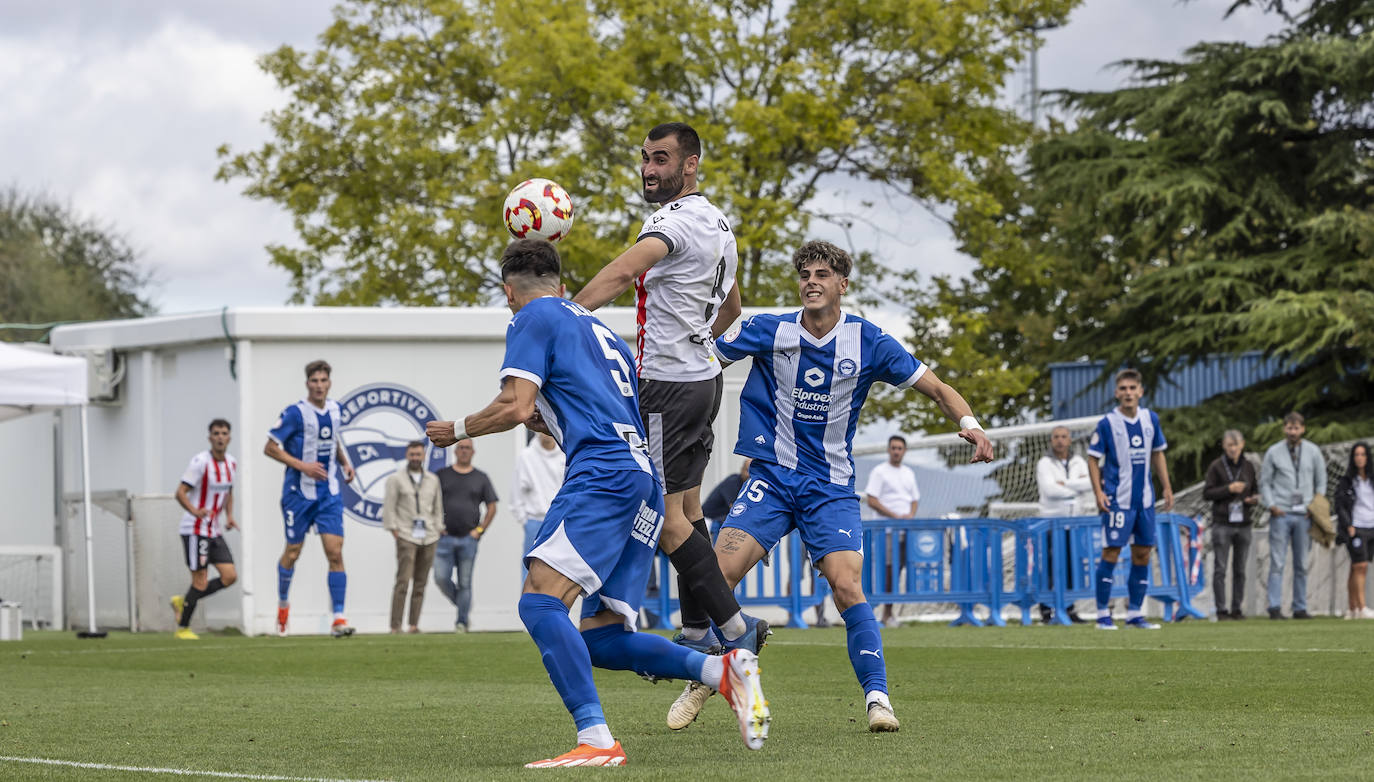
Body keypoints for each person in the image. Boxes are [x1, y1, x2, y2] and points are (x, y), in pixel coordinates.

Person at [426, 238, 768, 767]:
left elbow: (514, 405)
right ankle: (722, 670)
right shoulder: (599, 329)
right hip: (641, 480)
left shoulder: (531, 316)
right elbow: (581, 406)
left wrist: (458, 428)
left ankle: (597, 740)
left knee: (539, 603)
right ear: (563, 286)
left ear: (509, 293)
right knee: (602, 638)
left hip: (602, 476)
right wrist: (550, 416)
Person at [700, 239, 993, 734]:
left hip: (830, 487)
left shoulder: (869, 341)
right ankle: (707, 672)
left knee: (846, 587)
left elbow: (938, 389)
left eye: (822, 274)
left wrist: (971, 424)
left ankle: (878, 699)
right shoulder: (769, 329)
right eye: (805, 275)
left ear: (843, 284)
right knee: (715, 575)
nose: (811, 282)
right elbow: (699, 365)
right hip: (772, 477)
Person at [571, 122, 767, 670]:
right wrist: (699, 341)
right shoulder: (720, 225)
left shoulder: (671, 221)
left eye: (661, 159)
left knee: (662, 514)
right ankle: (697, 628)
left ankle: (737, 627)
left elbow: (622, 273)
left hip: (666, 385)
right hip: (702, 380)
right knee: (688, 507)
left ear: (691, 164)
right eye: (645, 158)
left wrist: (564, 316)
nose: (648, 169)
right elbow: (732, 309)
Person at [265, 360, 357, 638]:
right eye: (314, 381)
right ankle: (283, 606)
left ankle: (339, 618)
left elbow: (331, 440)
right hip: (298, 493)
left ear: (330, 383)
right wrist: (303, 466)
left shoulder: (336, 410)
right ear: (307, 384)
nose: (319, 385)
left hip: (328, 493)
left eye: (323, 380)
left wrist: (344, 462)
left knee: (335, 552)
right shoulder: (295, 413)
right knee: (293, 551)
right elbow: (270, 447)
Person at [1086, 368, 1174, 631]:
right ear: (1116, 393)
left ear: (1140, 391)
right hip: (1117, 500)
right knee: (1111, 551)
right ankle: (1103, 614)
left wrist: (1167, 487)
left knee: (1143, 552)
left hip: (1144, 500)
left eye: (1132, 388)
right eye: (1123, 389)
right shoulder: (1107, 423)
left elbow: (1158, 453)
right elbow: (1093, 458)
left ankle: (1135, 614)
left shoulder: (1150, 419)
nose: (1128, 393)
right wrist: (1098, 492)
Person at [169, 419, 239, 640]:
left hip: (214, 530)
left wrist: (229, 516)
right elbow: (180, 492)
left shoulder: (231, 463)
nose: (220, 437)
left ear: (229, 438)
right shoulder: (200, 462)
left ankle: (185, 600)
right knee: (199, 580)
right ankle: (183, 628)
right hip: (195, 529)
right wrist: (194, 510)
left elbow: (228, 492)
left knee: (230, 576)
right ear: (210, 438)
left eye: (224, 433)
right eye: (216, 433)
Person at [1259, 411, 1326, 620]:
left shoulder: (1313, 451)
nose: (1293, 432)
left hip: (1304, 515)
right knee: (1277, 562)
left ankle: (1300, 607)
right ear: (1284, 429)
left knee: (1302, 563)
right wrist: (1271, 505)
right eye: (1289, 428)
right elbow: (1265, 482)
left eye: (1296, 428)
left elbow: (1321, 482)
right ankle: (1274, 606)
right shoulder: (1273, 452)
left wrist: (1314, 506)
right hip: (1281, 513)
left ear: (1303, 429)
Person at [433, 439, 498, 632]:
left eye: (467, 448)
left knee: (465, 582)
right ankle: (464, 605)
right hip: (444, 538)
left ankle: (461, 622)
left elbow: (492, 507)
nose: (464, 451)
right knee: (440, 578)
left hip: (469, 539)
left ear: (473, 452)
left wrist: (480, 530)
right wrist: (436, 525)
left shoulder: (481, 477)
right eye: (460, 448)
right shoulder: (442, 475)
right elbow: (430, 501)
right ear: (455, 451)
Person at [381, 441, 443, 633]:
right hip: (407, 535)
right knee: (403, 581)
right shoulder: (396, 479)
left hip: (429, 536)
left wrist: (438, 528)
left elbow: (438, 507)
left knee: (421, 582)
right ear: (407, 456)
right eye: (412, 454)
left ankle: (414, 624)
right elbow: (389, 506)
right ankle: (395, 625)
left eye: (418, 454)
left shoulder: (432, 479)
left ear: (424, 456)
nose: (415, 458)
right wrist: (394, 530)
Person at [1034, 425, 1093, 624]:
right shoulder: (1044, 463)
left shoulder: (1079, 461)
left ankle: (1069, 608)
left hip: (1073, 524)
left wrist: (1064, 484)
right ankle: (1045, 610)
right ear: (1051, 440)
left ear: (1070, 440)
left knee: (1071, 566)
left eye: (1064, 436)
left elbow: (1090, 484)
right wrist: (1076, 488)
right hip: (1050, 524)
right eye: (1056, 437)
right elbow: (1050, 490)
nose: (1060, 440)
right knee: (1050, 566)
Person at [1201, 430, 1259, 620]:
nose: (1233, 449)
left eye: (1236, 445)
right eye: (1229, 445)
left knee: (1240, 569)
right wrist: (1228, 489)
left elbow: (1255, 489)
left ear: (1242, 445)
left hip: (1244, 522)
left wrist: (1253, 499)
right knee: (1220, 568)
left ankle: (1237, 608)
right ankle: (1221, 609)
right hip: (1222, 523)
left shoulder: (1248, 466)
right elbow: (1207, 493)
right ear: (1224, 446)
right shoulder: (1216, 466)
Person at [864, 435, 920, 628]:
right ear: (889, 450)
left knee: (898, 571)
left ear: (904, 451)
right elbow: (872, 500)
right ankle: (873, 614)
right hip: (885, 532)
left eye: (899, 448)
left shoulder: (909, 473)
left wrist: (909, 516)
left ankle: (889, 614)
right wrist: (894, 516)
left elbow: (914, 499)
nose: (896, 451)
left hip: (905, 532)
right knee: (885, 571)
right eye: (893, 448)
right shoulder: (879, 472)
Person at [511, 432, 565, 578]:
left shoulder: (564, 456)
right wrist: (525, 521)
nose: (545, 433)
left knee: (559, 569)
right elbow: (516, 493)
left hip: (558, 523)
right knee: (530, 569)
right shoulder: (526, 457)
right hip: (535, 522)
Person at [1333, 442, 1373, 619]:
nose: (1360, 458)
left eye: (1363, 454)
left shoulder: (1371, 479)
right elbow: (1340, 504)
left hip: (1371, 525)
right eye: (1356, 455)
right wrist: (1348, 524)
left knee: (1356, 567)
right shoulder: (1347, 481)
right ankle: (1362, 607)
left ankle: (1352, 608)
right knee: (1360, 565)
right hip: (1356, 527)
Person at [701, 459, 751, 540]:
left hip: (720, 519)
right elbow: (734, 509)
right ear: (741, 470)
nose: (750, 475)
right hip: (708, 520)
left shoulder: (748, 486)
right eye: (747, 471)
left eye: (753, 472)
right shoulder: (732, 482)